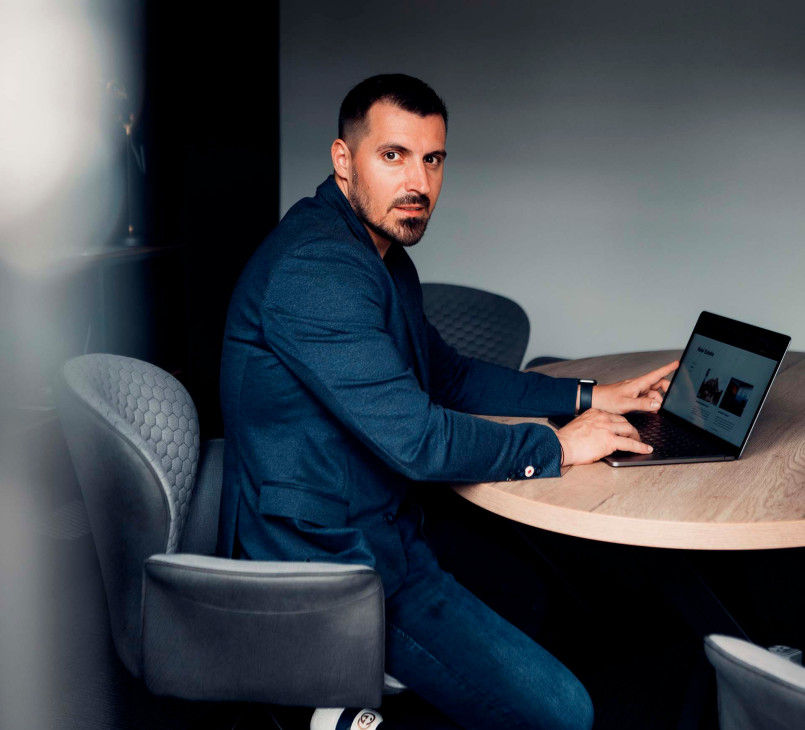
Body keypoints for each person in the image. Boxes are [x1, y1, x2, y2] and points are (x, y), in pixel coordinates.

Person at [219, 74, 677, 730]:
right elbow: (418, 440)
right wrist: (557, 444)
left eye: (431, 159)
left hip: (384, 514)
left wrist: (587, 394)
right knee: (564, 713)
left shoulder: (377, 254)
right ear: (343, 161)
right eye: (392, 155)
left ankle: (384, 670)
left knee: (529, 595)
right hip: (328, 554)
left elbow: (450, 379)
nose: (418, 183)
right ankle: (330, 691)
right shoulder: (316, 269)